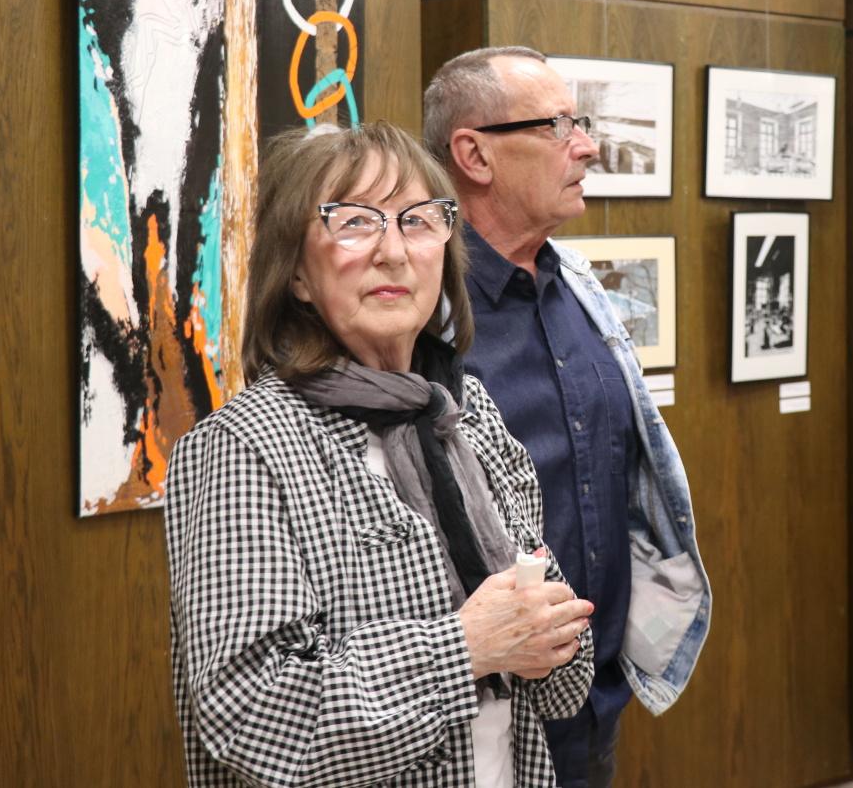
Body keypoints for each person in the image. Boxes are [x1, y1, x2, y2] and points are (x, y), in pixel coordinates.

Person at [164, 121, 594, 787]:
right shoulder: (246, 446)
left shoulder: (466, 413)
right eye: (355, 222)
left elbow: (563, 684)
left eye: (418, 221)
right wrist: (466, 648)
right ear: (297, 274)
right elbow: (252, 717)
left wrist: (547, 636)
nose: (393, 251)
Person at [424, 47, 711, 787]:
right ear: (474, 155)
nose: (586, 146)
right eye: (557, 126)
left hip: (596, 696)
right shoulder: (423, 319)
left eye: (579, 123)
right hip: (479, 713)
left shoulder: (579, 288)